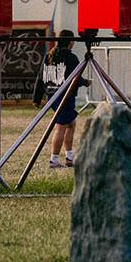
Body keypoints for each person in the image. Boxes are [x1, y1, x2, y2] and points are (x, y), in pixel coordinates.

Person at [45, 31, 86, 168]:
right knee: (60, 126)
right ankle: (54, 160)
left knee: (71, 123)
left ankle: (69, 156)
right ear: (70, 42)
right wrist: (85, 82)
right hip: (66, 96)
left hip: (52, 95)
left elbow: (41, 77)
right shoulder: (71, 57)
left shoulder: (49, 56)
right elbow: (75, 78)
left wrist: (37, 98)